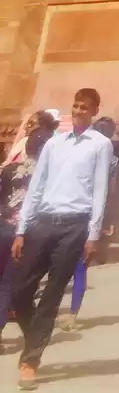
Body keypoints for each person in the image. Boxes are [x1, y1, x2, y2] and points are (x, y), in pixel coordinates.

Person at [9, 88, 113, 389]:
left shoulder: (100, 145)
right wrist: (21, 229)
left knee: (53, 293)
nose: (79, 110)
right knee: (20, 291)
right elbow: (36, 186)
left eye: (84, 107)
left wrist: (93, 234)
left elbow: (100, 190)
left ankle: (31, 361)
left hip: (74, 225)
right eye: (75, 106)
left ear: (94, 110)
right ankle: (36, 337)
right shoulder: (54, 144)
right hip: (43, 221)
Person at [0, 118, 57, 349]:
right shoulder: (48, 178)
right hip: (23, 234)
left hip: (2, 226)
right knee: (9, 285)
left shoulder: (9, 169)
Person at [63, 114, 119, 331]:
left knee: (58, 265)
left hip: (71, 210)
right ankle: (72, 314)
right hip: (92, 215)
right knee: (80, 267)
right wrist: (107, 219)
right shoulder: (113, 160)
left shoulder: (78, 151)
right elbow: (109, 192)